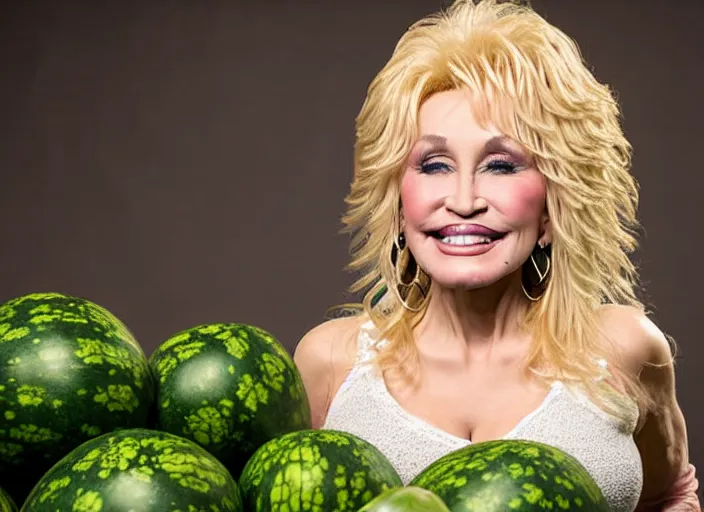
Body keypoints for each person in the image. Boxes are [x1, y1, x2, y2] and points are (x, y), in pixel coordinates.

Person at [295, 1, 700, 510]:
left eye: (502, 166)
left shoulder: (624, 351)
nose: (464, 200)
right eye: (435, 164)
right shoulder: (331, 364)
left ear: (554, 206)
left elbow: (673, 495)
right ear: (398, 203)